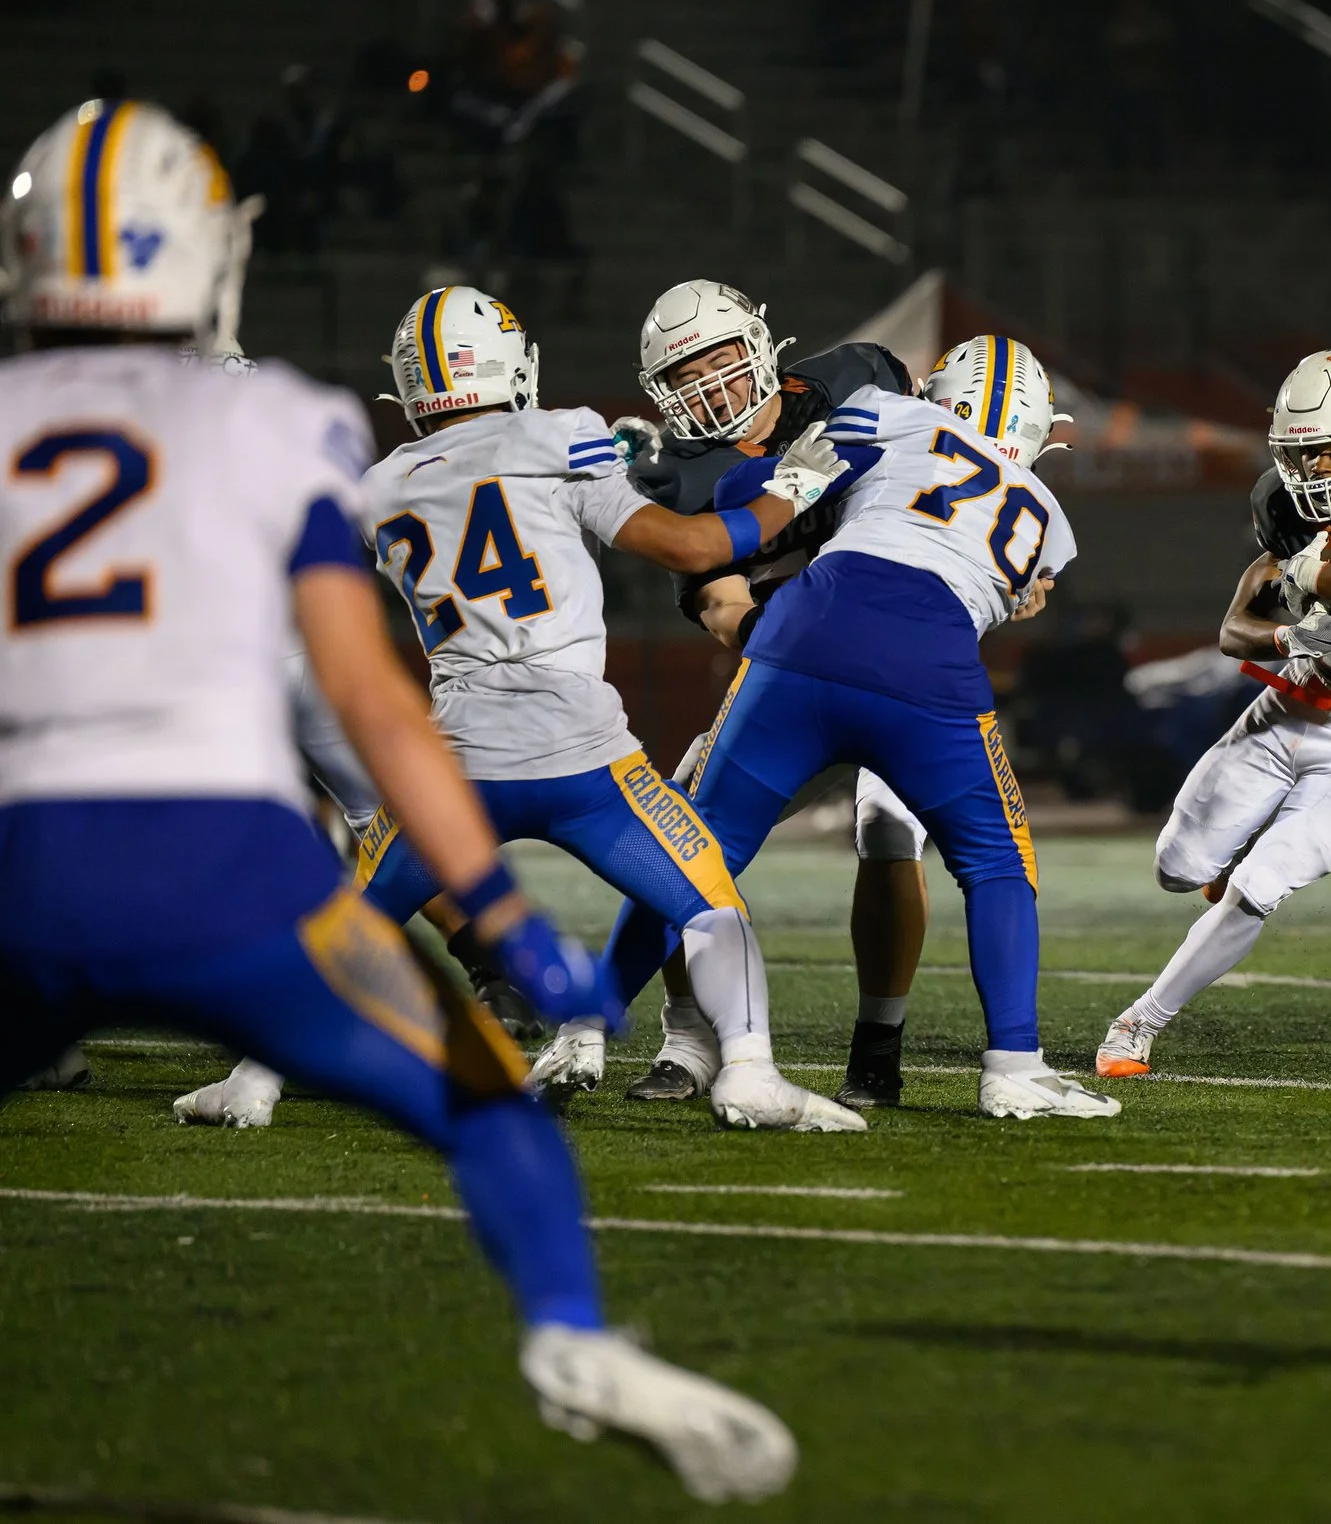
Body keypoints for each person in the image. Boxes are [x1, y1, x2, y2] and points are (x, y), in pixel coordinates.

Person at [0, 98, 793, 1500]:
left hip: (26, 860)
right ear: (199, 260)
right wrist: (502, 918)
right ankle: (564, 1332)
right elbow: (366, 700)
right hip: (220, 863)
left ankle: (249, 1082)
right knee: (489, 1108)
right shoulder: (276, 426)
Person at [182, 285, 859, 1133]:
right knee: (712, 904)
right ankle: (749, 1071)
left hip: (458, 765)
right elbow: (691, 546)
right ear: (510, 367)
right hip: (585, 757)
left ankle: (254, 1078)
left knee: (343, 926)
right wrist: (792, 489)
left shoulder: (380, 487)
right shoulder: (559, 434)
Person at [603, 327, 1119, 1120]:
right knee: (994, 859)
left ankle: (586, 1021)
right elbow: (722, 605)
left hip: (805, 646)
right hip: (904, 673)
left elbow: (744, 507)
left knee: (703, 845)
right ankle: (691, 1039)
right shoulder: (1043, 510)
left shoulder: (872, 409)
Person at [1095, 350, 1331, 1077]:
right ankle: (1233, 852)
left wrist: (1314, 569)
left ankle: (1138, 1023)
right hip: (1289, 706)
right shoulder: (1282, 503)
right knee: (1177, 869)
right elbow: (1232, 628)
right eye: (1300, 456)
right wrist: (1288, 634)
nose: (1314, 473)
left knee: (1264, 881)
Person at [601, 280, 935, 1112]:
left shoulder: (859, 377)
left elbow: (957, 461)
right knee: (677, 834)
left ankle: (877, 1051)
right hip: (789, 684)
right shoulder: (681, 478)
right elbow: (725, 610)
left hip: (906, 670)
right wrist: (825, 622)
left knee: (890, 829)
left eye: (719, 358)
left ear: (760, 344)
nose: (711, 384)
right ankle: (687, 1040)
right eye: (688, 374)